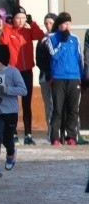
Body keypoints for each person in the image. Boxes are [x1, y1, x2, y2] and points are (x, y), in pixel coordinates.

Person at [0, 5, 45, 145]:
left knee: (26, 103)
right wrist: (7, 25)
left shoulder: (28, 31)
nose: (20, 20)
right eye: (18, 18)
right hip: (13, 71)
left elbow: (40, 36)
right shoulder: (9, 30)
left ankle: (28, 134)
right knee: (12, 104)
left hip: (27, 71)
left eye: (23, 18)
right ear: (13, 18)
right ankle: (13, 133)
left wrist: (33, 23)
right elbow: (3, 41)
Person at [0, 45, 27, 180]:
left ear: (2, 58)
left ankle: (11, 153)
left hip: (11, 112)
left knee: (7, 139)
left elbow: (23, 90)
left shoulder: (13, 72)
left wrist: (7, 90)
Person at [46, 12, 83, 146]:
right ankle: (55, 137)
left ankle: (71, 136)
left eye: (68, 23)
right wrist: (62, 42)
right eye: (64, 24)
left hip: (74, 77)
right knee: (57, 109)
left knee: (73, 109)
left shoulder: (75, 39)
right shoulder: (52, 38)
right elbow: (54, 55)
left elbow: (79, 58)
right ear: (59, 25)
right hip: (58, 77)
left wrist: (81, 76)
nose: (67, 26)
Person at [36, 13, 57, 141]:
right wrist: (47, 71)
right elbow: (38, 59)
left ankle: (61, 132)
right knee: (48, 105)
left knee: (59, 105)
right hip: (45, 77)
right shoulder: (42, 39)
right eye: (46, 23)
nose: (48, 26)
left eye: (50, 23)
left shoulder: (59, 38)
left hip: (59, 77)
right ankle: (50, 133)